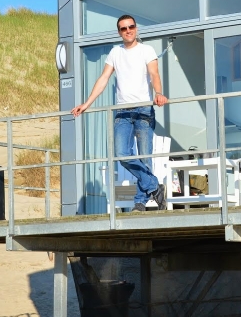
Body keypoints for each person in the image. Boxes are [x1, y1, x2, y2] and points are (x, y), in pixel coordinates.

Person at [71, 14, 168, 212]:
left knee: (145, 158)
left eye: (131, 27)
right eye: (124, 28)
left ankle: (140, 202)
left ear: (136, 28)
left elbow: (154, 74)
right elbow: (103, 78)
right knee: (121, 155)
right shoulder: (115, 52)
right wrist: (87, 103)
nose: (128, 31)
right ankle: (154, 187)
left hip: (143, 110)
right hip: (122, 112)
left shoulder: (147, 50)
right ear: (119, 32)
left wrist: (158, 93)